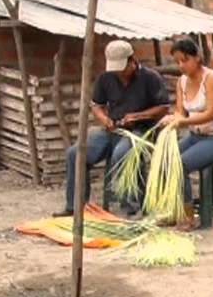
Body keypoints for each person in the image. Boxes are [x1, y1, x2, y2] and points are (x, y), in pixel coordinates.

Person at [54, 40, 170, 217]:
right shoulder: (106, 78)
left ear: (133, 61)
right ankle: (75, 206)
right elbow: (96, 105)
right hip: (113, 129)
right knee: (75, 153)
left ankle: (131, 208)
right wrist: (104, 119)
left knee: (122, 153)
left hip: (141, 131)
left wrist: (137, 116)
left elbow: (163, 108)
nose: (119, 73)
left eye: (123, 68)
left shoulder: (150, 78)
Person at [159, 38, 213, 228]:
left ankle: (187, 216)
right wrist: (172, 119)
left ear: (197, 58)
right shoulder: (182, 82)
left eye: (185, 60)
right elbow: (180, 111)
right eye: (177, 62)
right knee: (165, 160)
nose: (181, 65)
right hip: (195, 137)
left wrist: (182, 121)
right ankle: (173, 210)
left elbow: (212, 113)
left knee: (180, 164)